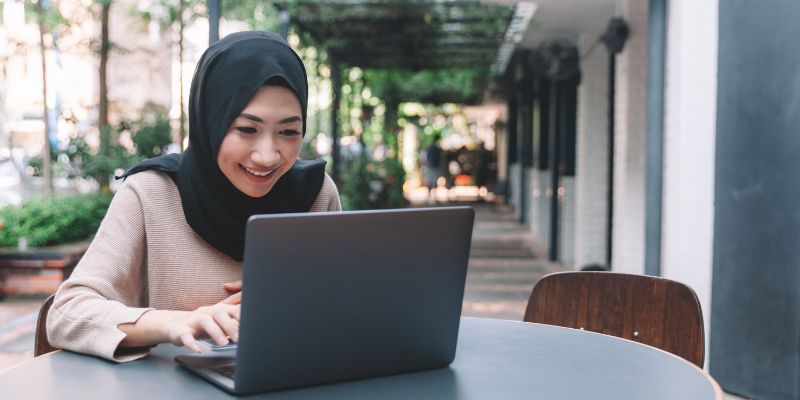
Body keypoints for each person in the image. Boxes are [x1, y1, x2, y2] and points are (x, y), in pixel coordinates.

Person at [46, 31, 341, 362]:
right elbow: (66, 314)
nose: (267, 156)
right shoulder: (150, 193)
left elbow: (338, 305)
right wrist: (175, 322)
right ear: (209, 121)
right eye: (246, 129)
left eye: (288, 132)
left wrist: (291, 298)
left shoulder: (316, 194)